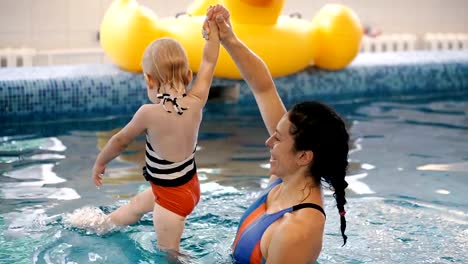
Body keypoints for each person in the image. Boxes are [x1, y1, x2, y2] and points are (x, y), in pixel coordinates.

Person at [205, 5, 350, 263]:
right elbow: (262, 87)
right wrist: (229, 38)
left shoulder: (296, 230)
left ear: (304, 156)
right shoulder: (286, 177)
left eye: (278, 138)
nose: (268, 140)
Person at [90, 17, 221, 251]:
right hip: (188, 187)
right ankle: (104, 224)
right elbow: (209, 62)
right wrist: (212, 35)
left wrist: (100, 162)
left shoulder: (148, 113)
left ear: (149, 80)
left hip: (171, 200)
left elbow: (119, 141)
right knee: (137, 206)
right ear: (189, 77)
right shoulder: (196, 101)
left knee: (169, 254)